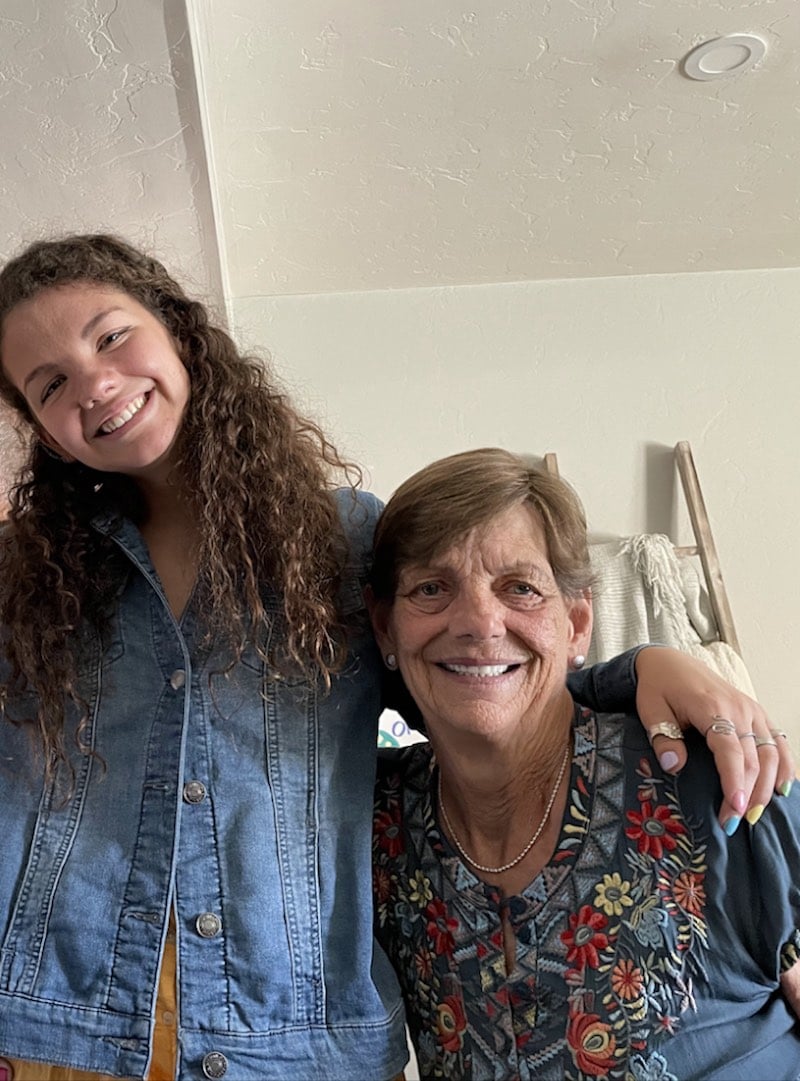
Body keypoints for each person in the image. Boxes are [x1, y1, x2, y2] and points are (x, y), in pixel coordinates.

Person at [0, 236, 789, 1081]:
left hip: (297, 1046)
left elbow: (478, 685)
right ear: (42, 430)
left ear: (180, 332)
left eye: (110, 335)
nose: (93, 381)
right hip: (62, 1032)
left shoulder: (337, 541)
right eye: (49, 383)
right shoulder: (25, 582)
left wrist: (643, 669)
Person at [368, 447, 800, 1081]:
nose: (480, 623)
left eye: (520, 588)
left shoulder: (714, 780)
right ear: (385, 630)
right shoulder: (378, 825)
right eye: (432, 588)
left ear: (575, 623)